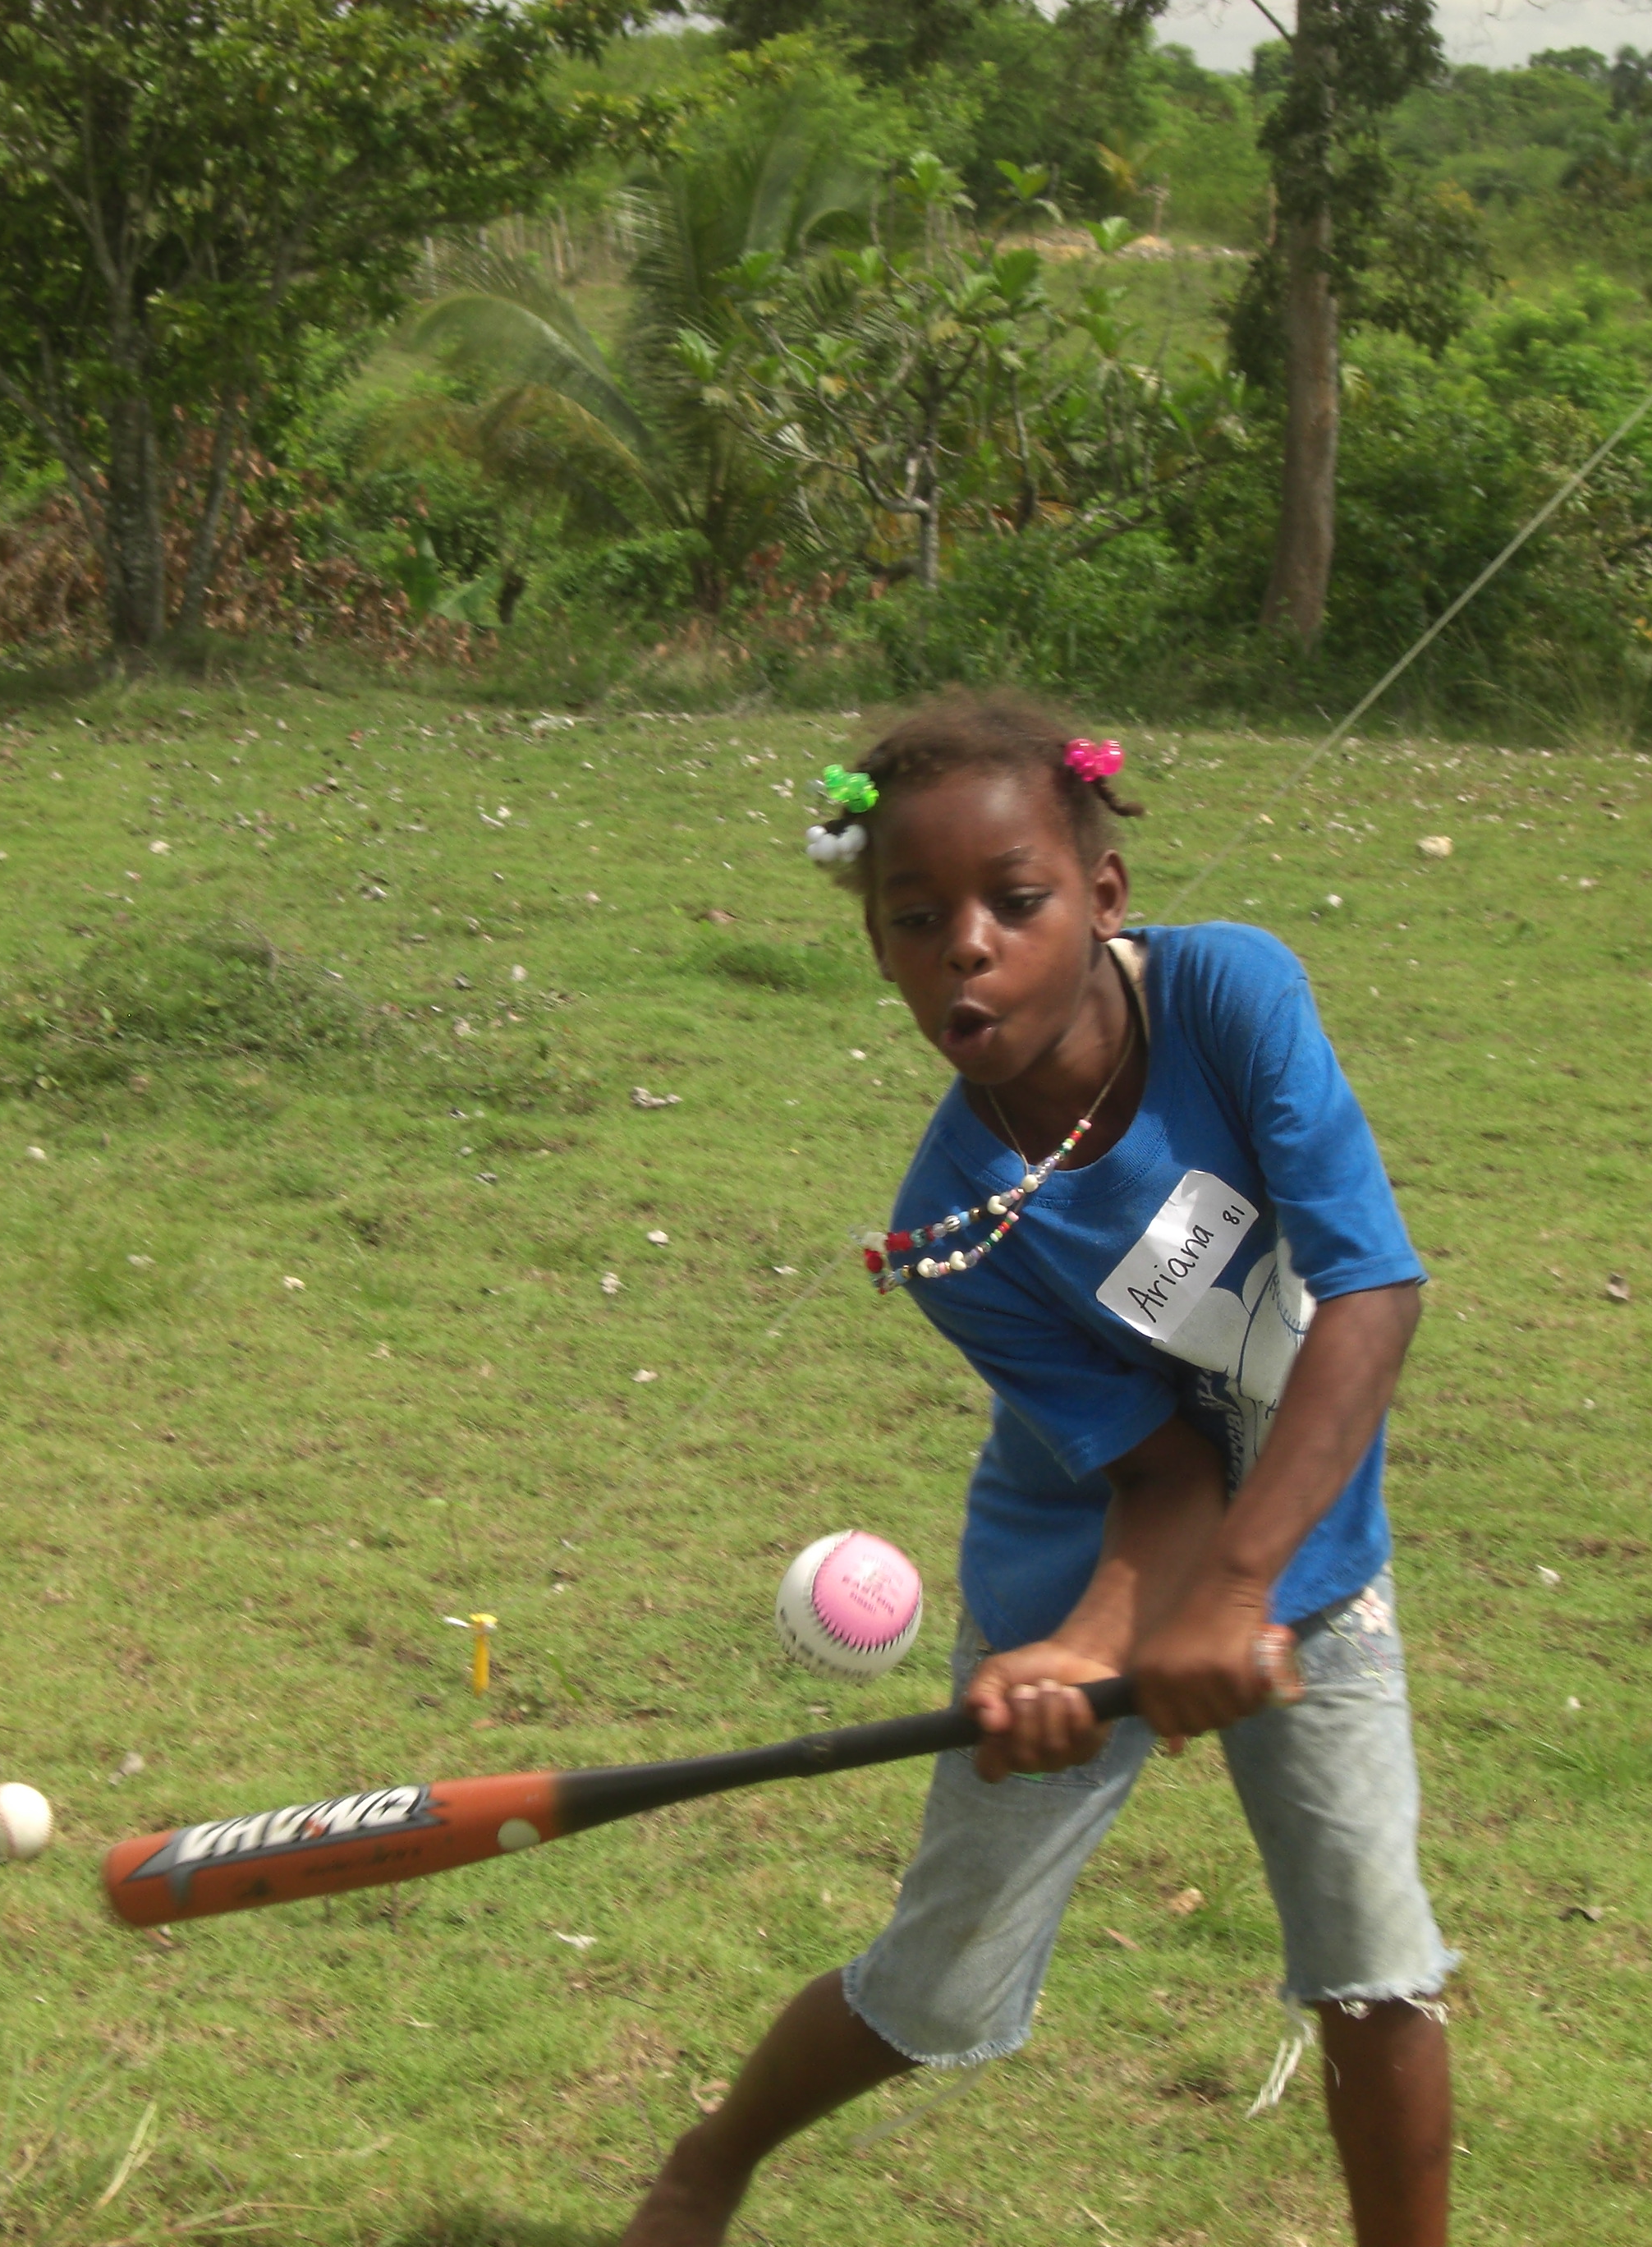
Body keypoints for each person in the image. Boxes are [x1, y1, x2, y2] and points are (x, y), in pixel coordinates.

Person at [621, 693, 1456, 2247]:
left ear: (1104, 895)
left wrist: (1246, 1589)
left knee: (1376, 1963)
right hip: (1081, 1575)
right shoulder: (950, 1227)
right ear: (878, 951)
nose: (969, 947)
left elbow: (1374, 1294)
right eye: (916, 919)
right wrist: (1080, 1650)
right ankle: (712, 2159)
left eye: (1017, 902)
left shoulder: (1230, 995)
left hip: (1304, 1558)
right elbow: (1160, 1477)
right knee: (938, 1983)